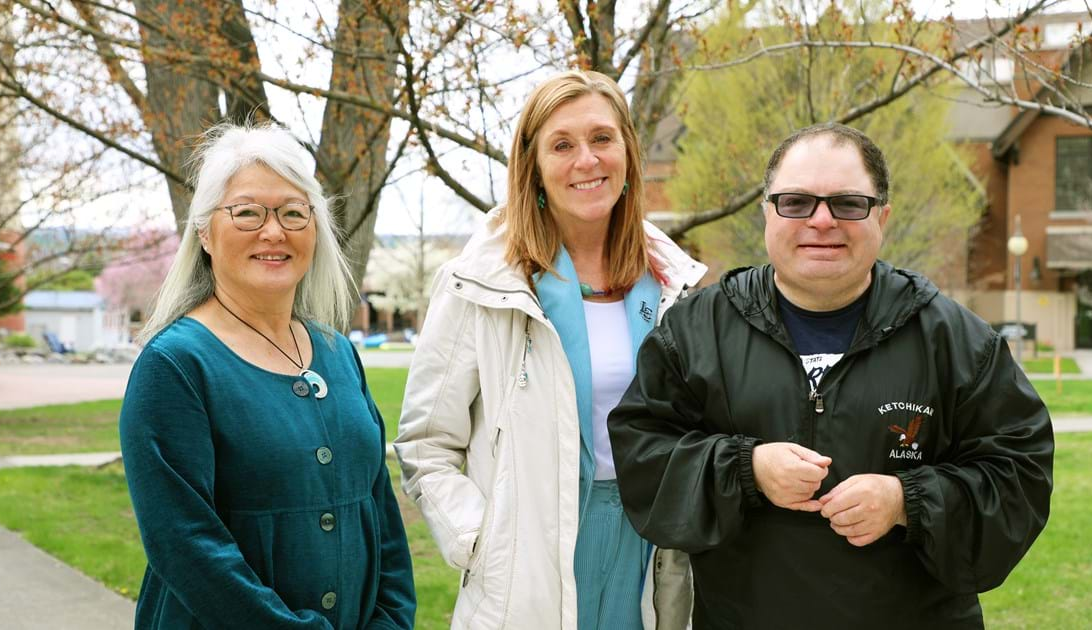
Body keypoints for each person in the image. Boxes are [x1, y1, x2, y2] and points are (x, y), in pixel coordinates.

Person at [609, 122, 1054, 628]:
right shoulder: (695, 334)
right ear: (767, 213)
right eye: (796, 202)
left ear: (882, 216)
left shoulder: (956, 341)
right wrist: (745, 467)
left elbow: (1020, 476)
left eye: (847, 203)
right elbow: (641, 454)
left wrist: (908, 501)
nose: (821, 221)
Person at [394, 70, 705, 630]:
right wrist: (482, 541)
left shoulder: (672, 285)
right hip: (528, 567)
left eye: (602, 139)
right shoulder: (482, 284)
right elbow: (425, 444)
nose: (586, 160)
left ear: (628, 154)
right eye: (562, 145)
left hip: (647, 551)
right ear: (534, 167)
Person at [120, 124, 416, 629]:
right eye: (248, 212)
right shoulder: (176, 367)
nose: (274, 232)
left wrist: (390, 620)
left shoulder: (338, 354)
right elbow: (185, 544)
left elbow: (380, 512)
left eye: (294, 213)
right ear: (205, 232)